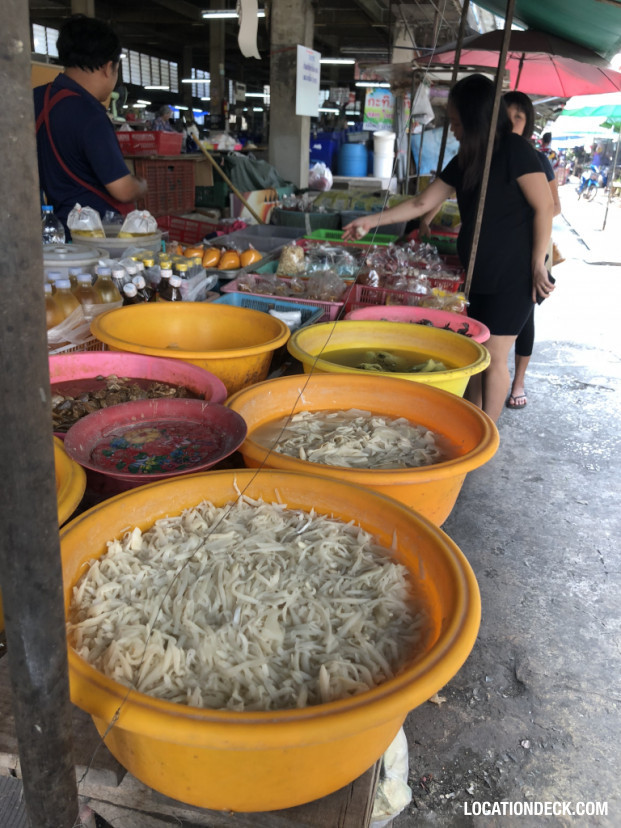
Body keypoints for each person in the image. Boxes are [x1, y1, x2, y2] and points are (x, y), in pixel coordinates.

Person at [342, 74, 554, 424]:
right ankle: (471, 420)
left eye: (456, 122)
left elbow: (545, 207)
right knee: (475, 352)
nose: (452, 129)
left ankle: (488, 432)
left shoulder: (516, 151)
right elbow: (423, 202)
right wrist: (370, 221)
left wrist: (537, 264)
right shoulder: (468, 158)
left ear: (475, 119)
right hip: (478, 270)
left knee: (495, 355)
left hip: (514, 274)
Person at [34, 15, 147, 237]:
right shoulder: (90, 115)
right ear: (108, 68)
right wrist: (141, 185)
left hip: (52, 232)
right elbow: (123, 190)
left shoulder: (35, 99)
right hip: (94, 239)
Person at [503, 91, 562, 410]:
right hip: (502, 252)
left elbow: (553, 207)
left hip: (532, 250)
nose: (512, 122)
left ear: (527, 124)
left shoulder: (536, 158)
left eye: (519, 117)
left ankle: (519, 381)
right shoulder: (493, 155)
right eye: (507, 116)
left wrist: (522, 220)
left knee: (526, 317)